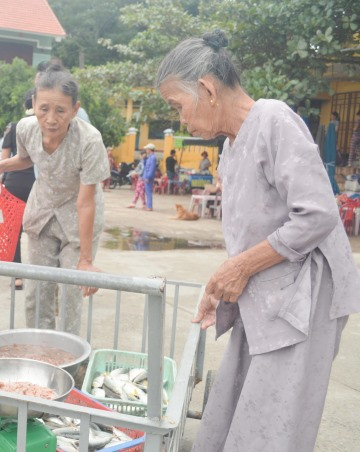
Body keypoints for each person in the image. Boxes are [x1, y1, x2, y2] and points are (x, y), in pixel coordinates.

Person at [156, 29, 360, 452]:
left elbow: (318, 213)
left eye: (178, 106)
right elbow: (251, 231)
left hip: (304, 298)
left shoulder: (273, 120)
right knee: (240, 403)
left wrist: (240, 268)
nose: (181, 121)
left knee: (274, 418)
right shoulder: (232, 146)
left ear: (207, 89)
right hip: (266, 292)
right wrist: (222, 286)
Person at [0, 65, 110, 334]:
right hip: (41, 213)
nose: (51, 118)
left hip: (78, 221)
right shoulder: (26, 129)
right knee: (37, 291)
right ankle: (38, 352)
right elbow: (26, 159)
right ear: (34, 104)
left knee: (72, 292)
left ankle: (68, 360)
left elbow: (86, 202)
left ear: (75, 109)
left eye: (61, 110)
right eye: (44, 109)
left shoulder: (89, 141)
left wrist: (86, 260)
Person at [1, 90, 37, 290]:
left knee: (13, 231)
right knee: (39, 231)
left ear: (24, 106)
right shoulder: (44, 126)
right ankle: (41, 274)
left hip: (14, 183)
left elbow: (4, 159)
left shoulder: (14, 127)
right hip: (38, 183)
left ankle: (17, 276)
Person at [142, 143, 156, 211]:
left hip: (148, 177)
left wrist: (148, 177)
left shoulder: (153, 157)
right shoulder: (149, 157)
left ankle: (149, 206)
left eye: (147, 149)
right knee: (147, 192)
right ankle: (148, 205)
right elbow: (145, 166)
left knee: (149, 192)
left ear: (150, 149)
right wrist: (144, 159)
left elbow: (152, 168)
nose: (146, 150)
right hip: (146, 176)